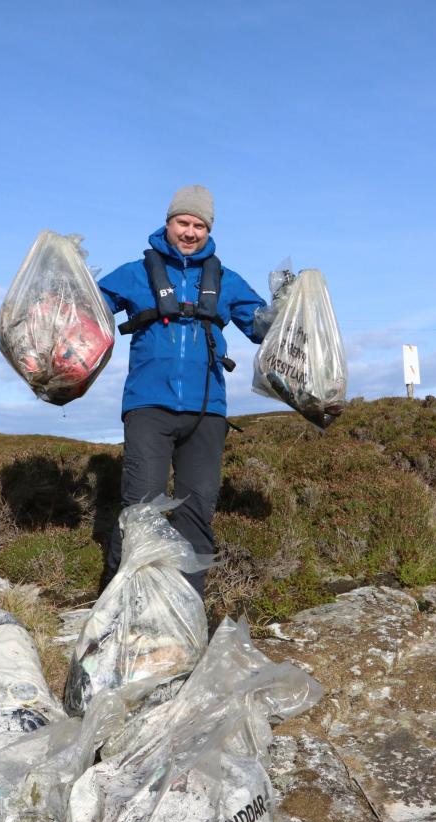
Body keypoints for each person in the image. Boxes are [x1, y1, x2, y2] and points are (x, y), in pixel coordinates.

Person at [98, 185, 266, 598]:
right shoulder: (135, 273)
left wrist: (290, 306)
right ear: (168, 223)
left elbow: (263, 328)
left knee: (197, 510)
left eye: (199, 225)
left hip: (208, 412)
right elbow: (88, 308)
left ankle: (186, 611)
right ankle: (122, 607)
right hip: (148, 406)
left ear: (208, 230)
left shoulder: (226, 280)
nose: (190, 232)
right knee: (141, 511)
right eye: (183, 223)